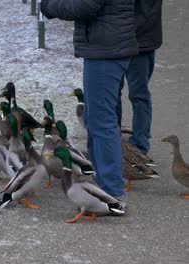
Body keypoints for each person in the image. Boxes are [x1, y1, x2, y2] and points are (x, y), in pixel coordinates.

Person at [40, 0, 139, 200]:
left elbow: (85, 6)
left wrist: (49, 6)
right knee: (94, 120)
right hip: (105, 47)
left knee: (102, 123)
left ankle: (110, 189)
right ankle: (102, 181)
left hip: (106, 50)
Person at [116, 0, 163, 155]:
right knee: (131, 94)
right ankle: (122, 140)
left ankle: (137, 144)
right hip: (135, 37)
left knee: (135, 94)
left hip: (135, 39)